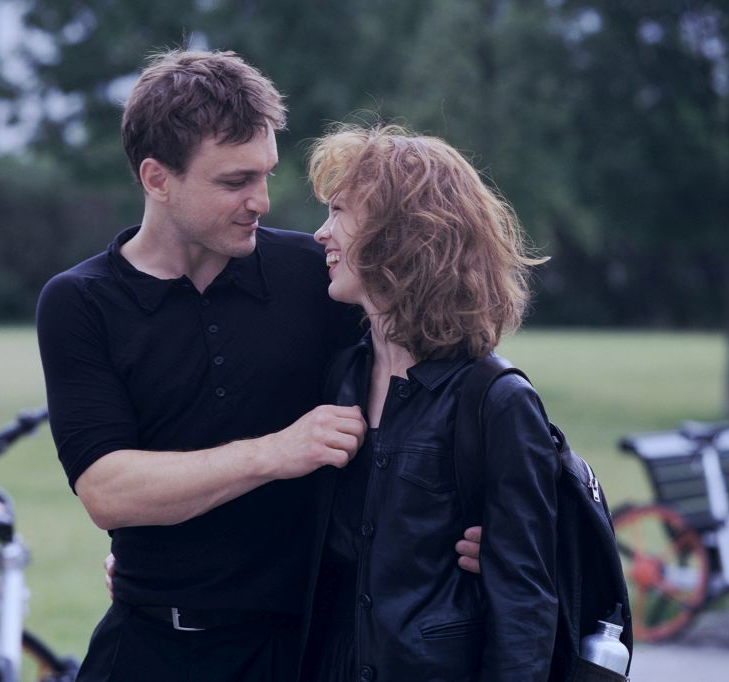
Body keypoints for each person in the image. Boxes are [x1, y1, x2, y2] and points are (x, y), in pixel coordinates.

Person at [35, 50, 480, 682]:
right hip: (147, 646)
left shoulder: (319, 276)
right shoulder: (79, 302)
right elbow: (108, 491)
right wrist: (277, 451)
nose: (262, 201)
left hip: (303, 652)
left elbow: (456, 382)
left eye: (266, 174)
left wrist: (493, 526)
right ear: (157, 178)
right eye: (235, 181)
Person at [301, 125, 558, 681]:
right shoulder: (339, 377)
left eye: (339, 211)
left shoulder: (496, 402)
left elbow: (525, 609)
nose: (320, 233)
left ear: (400, 234)